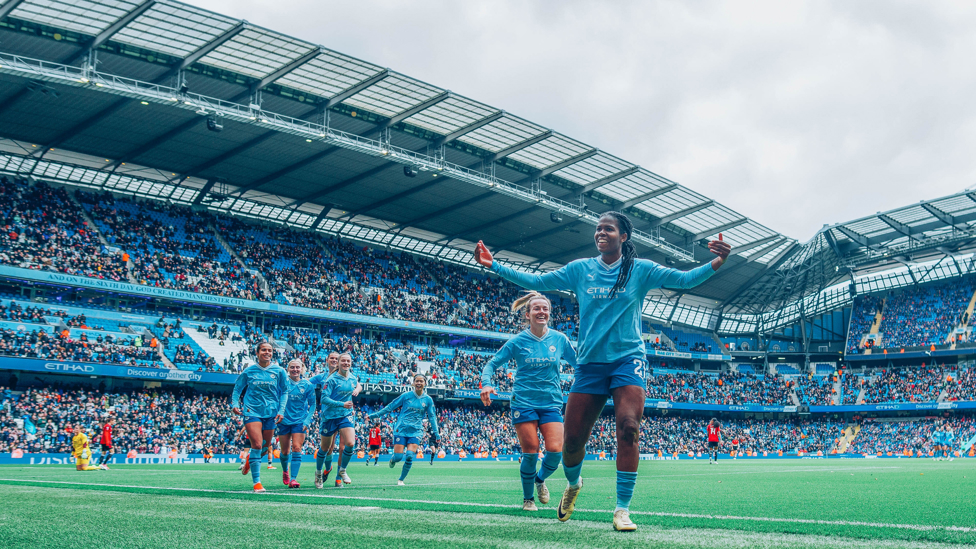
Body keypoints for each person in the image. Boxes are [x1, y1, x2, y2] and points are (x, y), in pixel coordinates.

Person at [474, 211, 730, 531]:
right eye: (598, 229)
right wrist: (493, 264)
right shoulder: (581, 269)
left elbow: (684, 279)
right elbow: (538, 282)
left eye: (608, 229)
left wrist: (716, 263)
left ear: (624, 236)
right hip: (590, 364)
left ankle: (622, 509)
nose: (601, 233)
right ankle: (574, 483)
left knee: (628, 427)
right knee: (572, 445)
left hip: (628, 360)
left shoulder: (640, 269)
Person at [480, 291, 577, 511]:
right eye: (536, 308)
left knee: (554, 450)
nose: (541, 311)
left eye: (545, 308)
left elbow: (578, 364)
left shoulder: (560, 339)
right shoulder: (517, 342)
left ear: (549, 313)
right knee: (531, 451)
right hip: (523, 402)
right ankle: (528, 499)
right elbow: (491, 365)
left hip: (551, 402)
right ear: (528, 314)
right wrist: (486, 383)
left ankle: (540, 480)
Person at [231, 340, 289, 493]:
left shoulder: (279, 371)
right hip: (252, 411)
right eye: (263, 350)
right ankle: (257, 483)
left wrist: (281, 410)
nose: (267, 353)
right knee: (256, 444)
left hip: (270, 412)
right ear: (257, 353)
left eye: (269, 350)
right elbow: (238, 388)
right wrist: (234, 404)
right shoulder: (249, 371)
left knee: (264, 446)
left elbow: (284, 392)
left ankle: (250, 460)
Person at [369, 374, 440, 486]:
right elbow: (391, 406)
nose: (419, 383)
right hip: (401, 429)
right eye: (417, 381)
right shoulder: (406, 396)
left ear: (425, 383)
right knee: (398, 457)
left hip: (416, 431)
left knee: (410, 456)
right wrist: (376, 415)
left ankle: (401, 479)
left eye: (421, 381)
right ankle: (393, 460)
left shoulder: (428, 400)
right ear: (413, 383)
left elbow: (432, 417)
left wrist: (436, 433)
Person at [312, 353, 361, 488]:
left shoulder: (352, 378)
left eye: (348, 361)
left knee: (350, 443)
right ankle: (318, 472)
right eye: (343, 361)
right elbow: (324, 399)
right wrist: (342, 404)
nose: (346, 363)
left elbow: (357, 385)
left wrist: (357, 390)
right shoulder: (331, 379)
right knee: (325, 448)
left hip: (345, 415)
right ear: (338, 363)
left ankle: (342, 470)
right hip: (329, 417)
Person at [277, 359, 315, 488]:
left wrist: (307, 420)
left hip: (300, 421)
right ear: (288, 369)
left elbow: (313, 404)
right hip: (283, 420)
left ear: (302, 369)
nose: (295, 370)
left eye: (297, 367)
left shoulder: (308, 385)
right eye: (292, 367)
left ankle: (293, 479)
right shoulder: (283, 383)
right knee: (285, 451)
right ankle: (285, 471)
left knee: (297, 448)